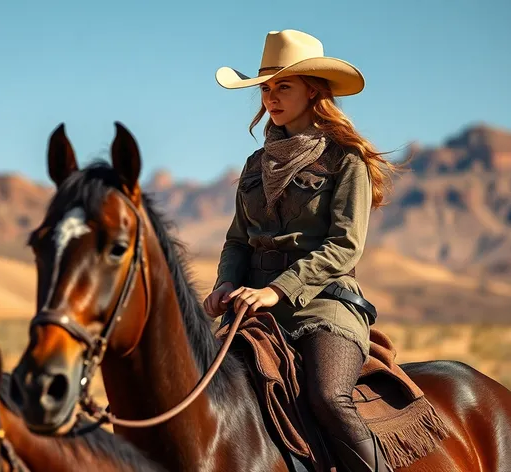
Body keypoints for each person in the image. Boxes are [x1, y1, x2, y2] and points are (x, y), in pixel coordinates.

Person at [203, 29, 400, 472]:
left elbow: (345, 246)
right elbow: (237, 239)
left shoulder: (345, 160)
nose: (271, 97)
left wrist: (278, 290)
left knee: (329, 397)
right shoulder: (255, 166)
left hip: (323, 305)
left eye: (283, 86)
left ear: (313, 91)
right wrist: (226, 283)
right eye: (266, 88)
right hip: (250, 305)